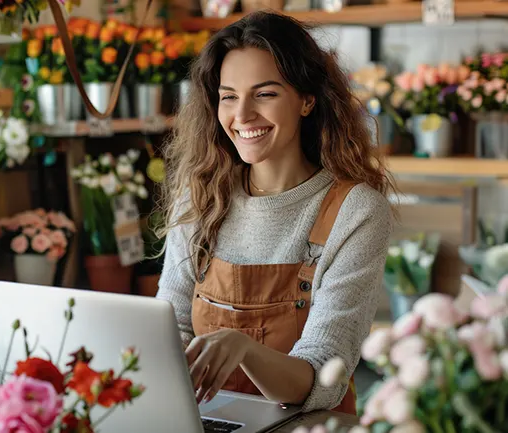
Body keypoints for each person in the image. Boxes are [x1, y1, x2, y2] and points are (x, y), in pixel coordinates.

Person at [154, 11, 395, 415]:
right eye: (228, 96)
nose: (242, 115)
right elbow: (171, 323)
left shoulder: (356, 212)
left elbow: (323, 376)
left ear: (306, 100)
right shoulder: (201, 197)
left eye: (264, 94)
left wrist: (242, 347)